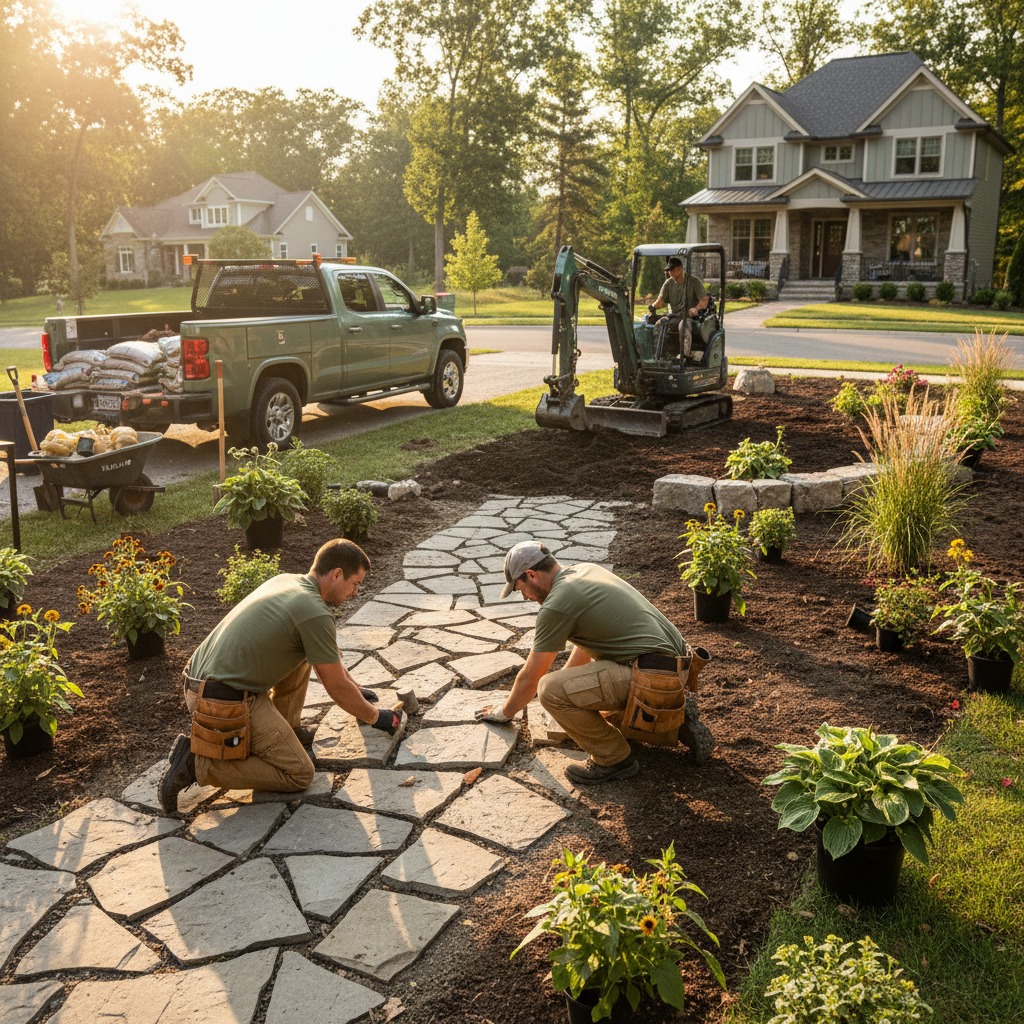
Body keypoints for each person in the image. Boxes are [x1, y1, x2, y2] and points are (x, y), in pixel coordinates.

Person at [158, 539, 400, 812]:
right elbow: (335, 685)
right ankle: (198, 763)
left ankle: (288, 729)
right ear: (337, 574)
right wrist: (375, 716)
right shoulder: (313, 613)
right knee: (298, 774)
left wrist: (355, 689)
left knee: (303, 655)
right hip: (223, 703)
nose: (356, 592)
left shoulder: (288, 581)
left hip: (201, 682)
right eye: (355, 583)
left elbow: (327, 658)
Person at [475, 541, 714, 785]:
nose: (524, 596)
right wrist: (569, 687)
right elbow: (587, 644)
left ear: (531, 575)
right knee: (580, 699)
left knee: (549, 689)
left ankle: (614, 760)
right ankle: (674, 719)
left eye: (519, 588)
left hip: (655, 677)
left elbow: (531, 677)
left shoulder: (557, 604)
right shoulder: (586, 570)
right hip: (677, 666)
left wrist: (504, 713)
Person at [650, 256, 710, 360]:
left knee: (683, 325)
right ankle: (660, 355)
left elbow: (704, 300)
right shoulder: (668, 283)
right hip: (674, 316)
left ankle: (683, 357)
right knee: (659, 324)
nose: (670, 273)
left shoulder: (693, 281)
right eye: (669, 271)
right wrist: (653, 306)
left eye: (672, 270)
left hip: (690, 317)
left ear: (680, 269)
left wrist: (696, 308)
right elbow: (661, 301)